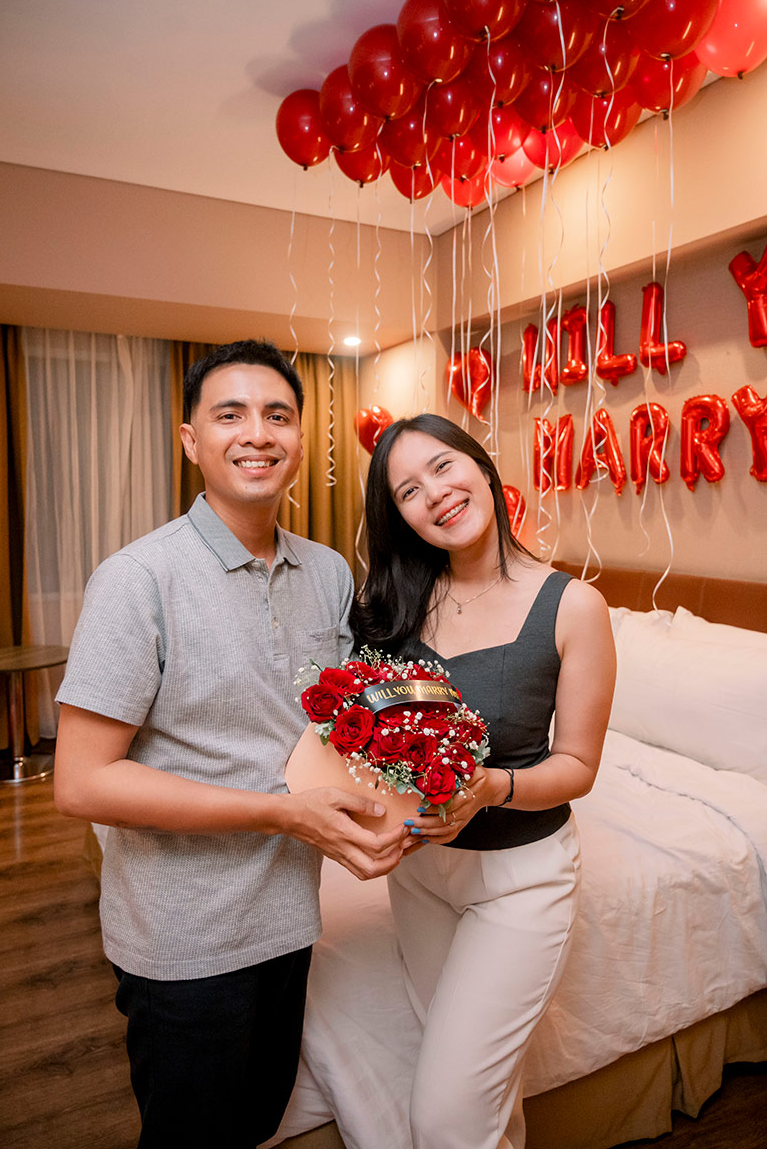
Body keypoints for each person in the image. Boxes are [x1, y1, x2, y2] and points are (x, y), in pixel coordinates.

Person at [53, 340, 408, 1149]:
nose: (257, 433)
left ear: (300, 440)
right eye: (230, 415)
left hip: (291, 916)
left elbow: (337, 728)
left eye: (278, 415)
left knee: (256, 1121)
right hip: (184, 936)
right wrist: (281, 814)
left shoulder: (327, 573)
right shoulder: (138, 579)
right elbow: (80, 783)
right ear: (191, 440)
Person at [351, 413, 616, 1149]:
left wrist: (492, 787)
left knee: (443, 1115)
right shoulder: (398, 604)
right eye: (408, 490)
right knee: (480, 1102)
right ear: (399, 517)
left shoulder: (573, 605)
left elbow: (578, 767)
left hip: (518, 882)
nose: (434, 493)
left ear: (482, 467)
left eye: (443, 466)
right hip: (418, 874)